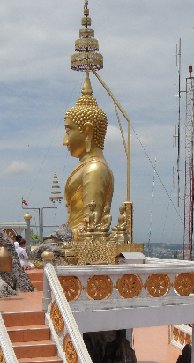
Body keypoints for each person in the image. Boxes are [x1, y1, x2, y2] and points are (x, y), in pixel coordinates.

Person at [63, 73, 114, 239]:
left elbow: (89, 227)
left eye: (68, 131)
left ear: (87, 130)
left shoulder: (95, 169)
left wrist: (62, 236)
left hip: (84, 242)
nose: (65, 141)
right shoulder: (87, 166)